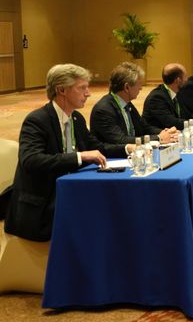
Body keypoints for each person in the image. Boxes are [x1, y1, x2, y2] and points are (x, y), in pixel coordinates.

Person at [4, 64, 132, 242]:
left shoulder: (76, 119)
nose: (88, 93)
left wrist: (130, 149)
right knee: (101, 218)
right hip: (42, 206)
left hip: (69, 194)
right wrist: (80, 156)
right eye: (82, 88)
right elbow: (31, 160)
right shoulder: (37, 120)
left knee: (115, 208)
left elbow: (98, 148)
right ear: (61, 90)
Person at [90, 62, 177, 145]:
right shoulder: (103, 110)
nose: (140, 88)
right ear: (127, 87)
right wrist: (158, 138)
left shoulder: (127, 104)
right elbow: (121, 140)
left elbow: (144, 127)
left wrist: (164, 132)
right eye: (139, 84)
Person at [143, 63, 193, 129]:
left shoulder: (177, 93)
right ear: (178, 80)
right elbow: (171, 122)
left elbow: (187, 115)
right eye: (185, 76)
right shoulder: (157, 98)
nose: (187, 79)